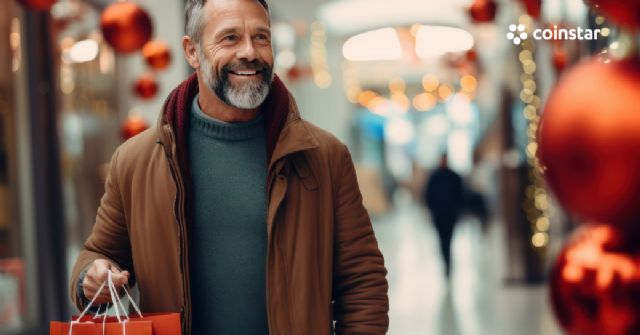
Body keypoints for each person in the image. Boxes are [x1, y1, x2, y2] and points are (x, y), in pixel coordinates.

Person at [68, 0, 389, 334]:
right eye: (230, 38)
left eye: (261, 37)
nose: (250, 52)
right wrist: (91, 278)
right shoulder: (134, 162)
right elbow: (98, 253)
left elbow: (362, 279)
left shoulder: (324, 156)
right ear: (192, 52)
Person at [423, 154, 463, 279]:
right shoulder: (434, 177)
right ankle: (446, 261)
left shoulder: (454, 176)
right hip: (438, 215)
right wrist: (431, 210)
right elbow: (428, 195)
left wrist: (459, 211)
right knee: (441, 240)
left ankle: (448, 262)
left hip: (451, 215)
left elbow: (460, 195)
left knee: (449, 240)